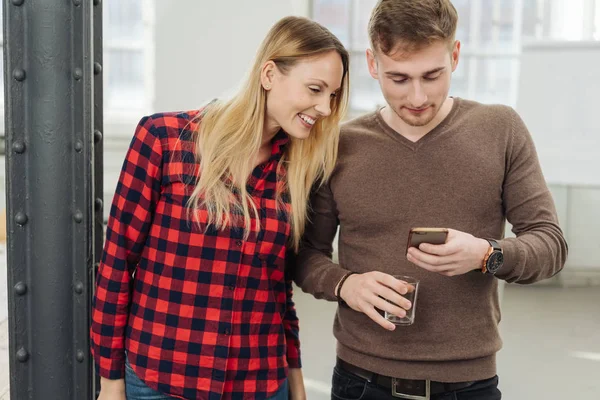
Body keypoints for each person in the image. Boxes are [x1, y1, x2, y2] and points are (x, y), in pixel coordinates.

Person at [292, 1, 568, 399]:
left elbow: (550, 245)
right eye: (399, 78)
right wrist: (345, 283)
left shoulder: (501, 130)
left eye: (432, 75)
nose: (417, 96)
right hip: (360, 382)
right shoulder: (338, 145)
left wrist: (485, 254)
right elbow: (304, 255)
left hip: (468, 385)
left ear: (454, 56)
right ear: (372, 63)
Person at [91, 16, 349, 400]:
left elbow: (276, 289)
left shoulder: (296, 173)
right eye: (315, 89)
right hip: (161, 380)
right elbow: (116, 265)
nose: (325, 108)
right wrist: (110, 381)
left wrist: (296, 381)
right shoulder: (164, 139)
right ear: (269, 74)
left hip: (260, 383)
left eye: (333, 95)